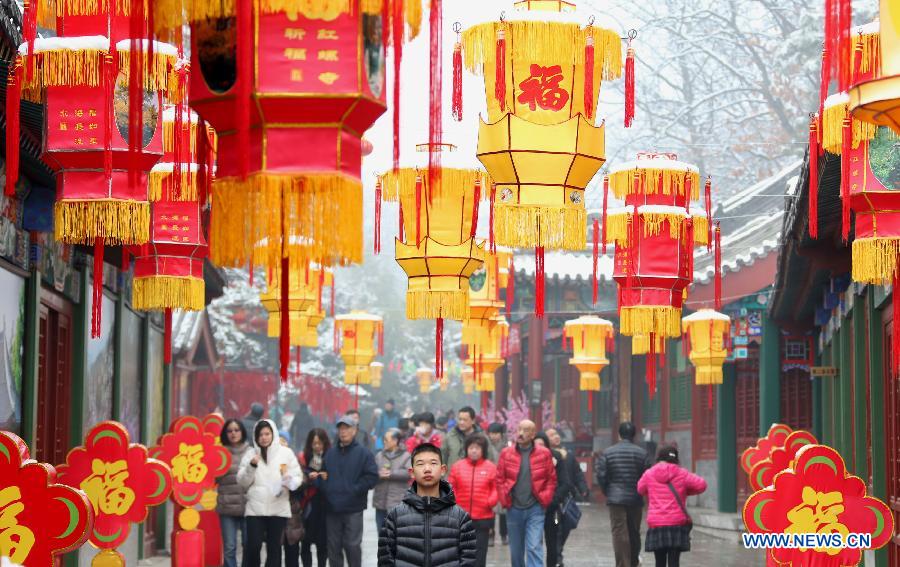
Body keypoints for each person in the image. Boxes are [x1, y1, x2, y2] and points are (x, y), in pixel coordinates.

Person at [377, 443, 477, 567]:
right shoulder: (395, 516)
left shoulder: (460, 518)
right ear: (412, 472)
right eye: (420, 464)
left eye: (433, 463)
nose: (427, 469)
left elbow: (469, 561)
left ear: (443, 470)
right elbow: (385, 560)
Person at [237, 420, 303, 567]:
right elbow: (242, 481)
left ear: (273, 434)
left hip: (278, 508)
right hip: (255, 509)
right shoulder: (250, 454)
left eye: (267, 434)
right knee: (253, 546)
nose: (264, 437)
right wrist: (252, 466)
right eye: (260, 434)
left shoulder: (285, 453)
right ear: (255, 436)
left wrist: (289, 480)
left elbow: (297, 477)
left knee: (274, 549)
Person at [316, 415, 379, 567]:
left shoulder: (364, 453)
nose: (343, 432)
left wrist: (354, 489)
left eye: (347, 428)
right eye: (340, 428)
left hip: (353, 508)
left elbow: (372, 477)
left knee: (352, 546)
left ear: (355, 430)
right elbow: (323, 475)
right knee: (334, 547)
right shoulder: (330, 453)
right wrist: (326, 487)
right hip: (332, 508)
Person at [496, 420, 557, 567]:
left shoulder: (544, 453)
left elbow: (551, 480)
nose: (521, 433)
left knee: (534, 546)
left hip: (535, 507)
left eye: (526, 430)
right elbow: (499, 478)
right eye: (519, 429)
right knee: (516, 551)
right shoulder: (506, 453)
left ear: (533, 434)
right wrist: (505, 499)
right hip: (513, 507)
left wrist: (545, 498)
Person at [638, 445, 707, 567]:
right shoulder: (682, 473)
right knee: (674, 562)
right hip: (676, 523)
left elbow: (640, 489)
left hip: (657, 523)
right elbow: (702, 485)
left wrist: (652, 491)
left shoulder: (649, 473)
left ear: (659, 457)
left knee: (659, 562)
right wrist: (685, 492)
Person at [596, 422, 653, 567]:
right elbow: (647, 476)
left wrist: (608, 492)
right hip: (635, 497)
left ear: (619, 434)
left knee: (619, 532)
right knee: (634, 532)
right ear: (634, 434)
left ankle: (623, 564)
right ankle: (633, 562)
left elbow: (601, 475)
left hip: (616, 499)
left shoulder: (608, 452)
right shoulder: (642, 453)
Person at [447, 433, 498, 567]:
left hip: (483, 517)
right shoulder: (457, 466)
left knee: (480, 552)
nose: (474, 451)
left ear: (483, 450)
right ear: (466, 449)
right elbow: (451, 487)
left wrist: (490, 501)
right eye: (471, 448)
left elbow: (496, 488)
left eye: (477, 448)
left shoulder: (491, 467)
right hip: (460, 517)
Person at [546, 427, 588, 565]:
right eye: (551, 435)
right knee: (557, 527)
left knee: (566, 527)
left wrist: (582, 488)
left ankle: (558, 552)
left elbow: (577, 473)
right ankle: (557, 557)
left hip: (567, 501)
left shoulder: (568, 455)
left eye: (556, 434)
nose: (556, 437)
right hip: (555, 502)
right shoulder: (545, 456)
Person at [291, 429, 330, 567]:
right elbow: (298, 480)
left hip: (324, 505)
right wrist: (307, 477)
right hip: (308, 504)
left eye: (320, 443)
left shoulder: (331, 457)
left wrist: (326, 477)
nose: (317, 446)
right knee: (305, 541)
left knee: (322, 543)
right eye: (314, 443)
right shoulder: (303, 457)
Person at [217, 419, 253, 567]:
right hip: (227, 507)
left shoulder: (251, 452)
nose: (233, 433)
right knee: (229, 547)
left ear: (242, 432)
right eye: (230, 431)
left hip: (248, 506)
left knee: (248, 545)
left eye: (236, 430)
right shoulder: (220, 453)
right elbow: (214, 478)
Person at [534, 432, 571, 567]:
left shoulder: (555, 457)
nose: (539, 448)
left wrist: (553, 500)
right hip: (533, 508)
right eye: (536, 444)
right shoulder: (528, 458)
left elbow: (565, 483)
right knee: (534, 543)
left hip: (552, 509)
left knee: (552, 541)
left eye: (542, 445)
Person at [373, 429, 411, 532]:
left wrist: (391, 473)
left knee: (396, 534)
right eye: (383, 439)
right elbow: (371, 473)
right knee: (381, 533)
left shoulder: (406, 456)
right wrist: (378, 474)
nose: (384, 442)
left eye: (386, 439)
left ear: (395, 441)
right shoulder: (379, 456)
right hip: (380, 502)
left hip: (397, 502)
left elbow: (409, 472)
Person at [486, 422, 509, 546]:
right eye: (491, 433)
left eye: (495, 433)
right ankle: (491, 535)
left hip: (503, 481)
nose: (493, 436)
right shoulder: (485, 446)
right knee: (490, 510)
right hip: (489, 481)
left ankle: (504, 534)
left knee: (503, 510)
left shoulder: (507, 446)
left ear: (501, 434)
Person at [442, 406, 480, 470]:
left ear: (473, 421)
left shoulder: (481, 437)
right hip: (453, 477)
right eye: (460, 419)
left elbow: (489, 459)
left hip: (476, 477)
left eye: (465, 420)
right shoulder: (450, 436)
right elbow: (443, 457)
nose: (461, 422)